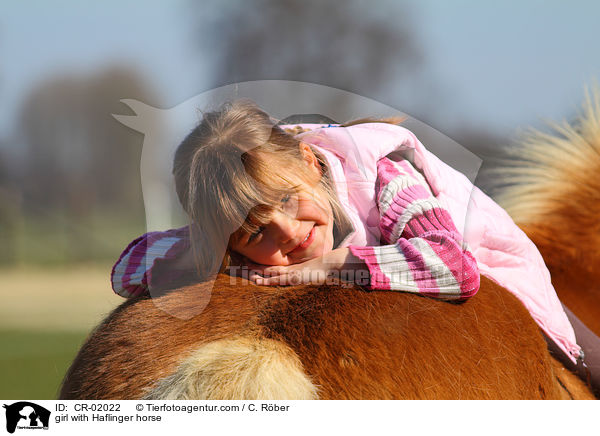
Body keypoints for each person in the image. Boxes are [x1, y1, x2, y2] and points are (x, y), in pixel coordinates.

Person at [111, 99, 598, 393]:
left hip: (483, 259)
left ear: (309, 162)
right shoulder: (246, 221)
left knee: (589, 362)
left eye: (286, 198)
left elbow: (454, 269)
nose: (287, 231)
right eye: (256, 232)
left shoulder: (383, 174)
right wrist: (212, 254)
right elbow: (126, 268)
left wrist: (324, 266)